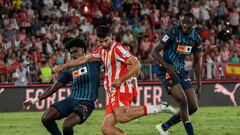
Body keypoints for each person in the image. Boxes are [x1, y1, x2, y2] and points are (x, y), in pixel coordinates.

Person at [53, 25, 176, 135]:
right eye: (101, 41)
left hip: (120, 88)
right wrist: (64, 66)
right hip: (111, 92)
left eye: (106, 40)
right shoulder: (101, 50)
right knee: (106, 128)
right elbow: (84, 59)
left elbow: (137, 65)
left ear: (111, 37)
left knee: (122, 116)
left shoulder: (118, 49)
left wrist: (121, 79)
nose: (104, 43)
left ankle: (159, 107)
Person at [23, 38, 101, 135]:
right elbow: (53, 89)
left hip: (86, 101)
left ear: (83, 50)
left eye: (76, 51)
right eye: (71, 53)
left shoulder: (94, 61)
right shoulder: (69, 70)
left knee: (66, 125)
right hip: (71, 100)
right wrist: (33, 100)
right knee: (46, 118)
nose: (73, 55)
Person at [151, 12, 202, 135]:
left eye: (187, 23)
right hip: (165, 69)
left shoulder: (196, 39)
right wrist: (168, 67)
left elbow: (196, 62)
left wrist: (199, 84)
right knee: (183, 102)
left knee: (193, 107)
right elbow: (154, 51)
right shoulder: (173, 32)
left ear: (193, 25)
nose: (184, 24)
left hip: (180, 70)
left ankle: (164, 127)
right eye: (183, 22)